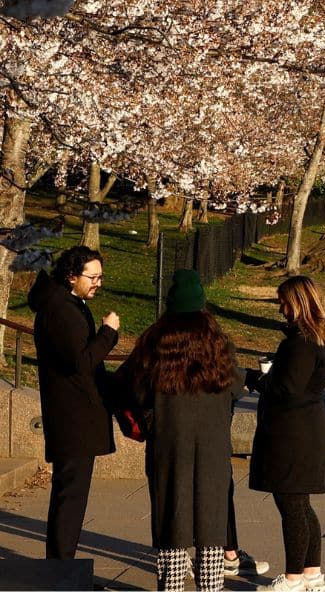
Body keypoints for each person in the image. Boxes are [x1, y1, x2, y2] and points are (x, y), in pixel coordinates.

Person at [116, 270, 243, 591]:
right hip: (213, 448)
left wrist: (149, 420)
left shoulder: (154, 342)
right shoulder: (218, 343)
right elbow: (236, 385)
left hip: (169, 447)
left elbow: (126, 386)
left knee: (172, 527)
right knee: (211, 531)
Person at [245, 277, 325, 592]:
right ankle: (312, 573)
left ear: (298, 302)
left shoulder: (299, 343)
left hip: (291, 433)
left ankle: (294, 578)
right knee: (302, 503)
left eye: (283, 302)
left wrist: (255, 378)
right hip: (307, 428)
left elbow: (286, 389)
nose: (280, 308)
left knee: (292, 505)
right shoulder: (321, 337)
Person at [30, 245, 120, 560]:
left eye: (100, 276)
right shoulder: (62, 310)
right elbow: (82, 361)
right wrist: (109, 333)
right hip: (72, 418)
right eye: (92, 277)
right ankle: (60, 568)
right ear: (71, 276)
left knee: (71, 496)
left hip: (75, 415)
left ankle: (62, 566)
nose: (98, 282)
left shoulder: (67, 304)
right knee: (70, 496)